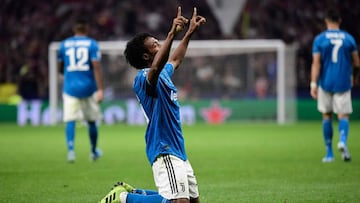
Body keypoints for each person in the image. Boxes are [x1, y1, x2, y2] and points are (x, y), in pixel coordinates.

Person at [99, 7, 206, 203]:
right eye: (155, 45)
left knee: (192, 201)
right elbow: (156, 66)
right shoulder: (143, 79)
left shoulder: (164, 72)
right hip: (163, 147)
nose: (161, 44)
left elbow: (175, 58)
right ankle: (123, 198)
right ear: (146, 57)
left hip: (178, 148)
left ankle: (139, 194)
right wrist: (171, 33)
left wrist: (189, 33)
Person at [310, 8, 360, 163]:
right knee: (343, 115)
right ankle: (343, 141)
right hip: (343, 81)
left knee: (327, 115)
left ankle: (329, 153)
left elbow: (316, 63)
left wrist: (313, 83)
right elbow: (357, 63)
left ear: (326, 20)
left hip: (325, 82)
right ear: (340, 21)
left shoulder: (320, 39)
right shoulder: (349, 39)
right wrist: (354, 77)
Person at [57, 17, 104, 162]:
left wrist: (66, 74)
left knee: (70, 119)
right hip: (88, 88)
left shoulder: (64, 45)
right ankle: (93, 151)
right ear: (87, 29)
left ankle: (71, 151)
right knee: (91, 120)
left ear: (74, 29)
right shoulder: (92, 44)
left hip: (70, 87)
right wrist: (100, 89)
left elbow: (60, 67)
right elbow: (96, 67)